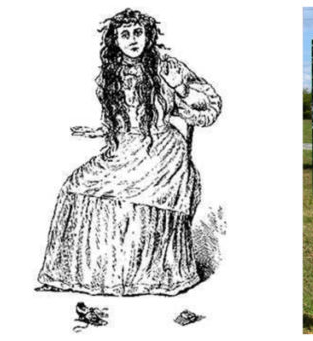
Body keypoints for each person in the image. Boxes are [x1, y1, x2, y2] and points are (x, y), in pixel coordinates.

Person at [37, 8, 222, 296]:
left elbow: (209, 108)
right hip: (123, 147)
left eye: (138, 33)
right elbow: (116, 120)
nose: (133, 40)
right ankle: (91, 276)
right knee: (76, 185)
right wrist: (98, 131)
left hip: (161, 149)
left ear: (148, 35)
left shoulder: (168, 66)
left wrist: (181, 90)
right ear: (115, 40)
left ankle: (154, 278)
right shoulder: (110, 74)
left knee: (140, 194)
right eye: (125, 35)